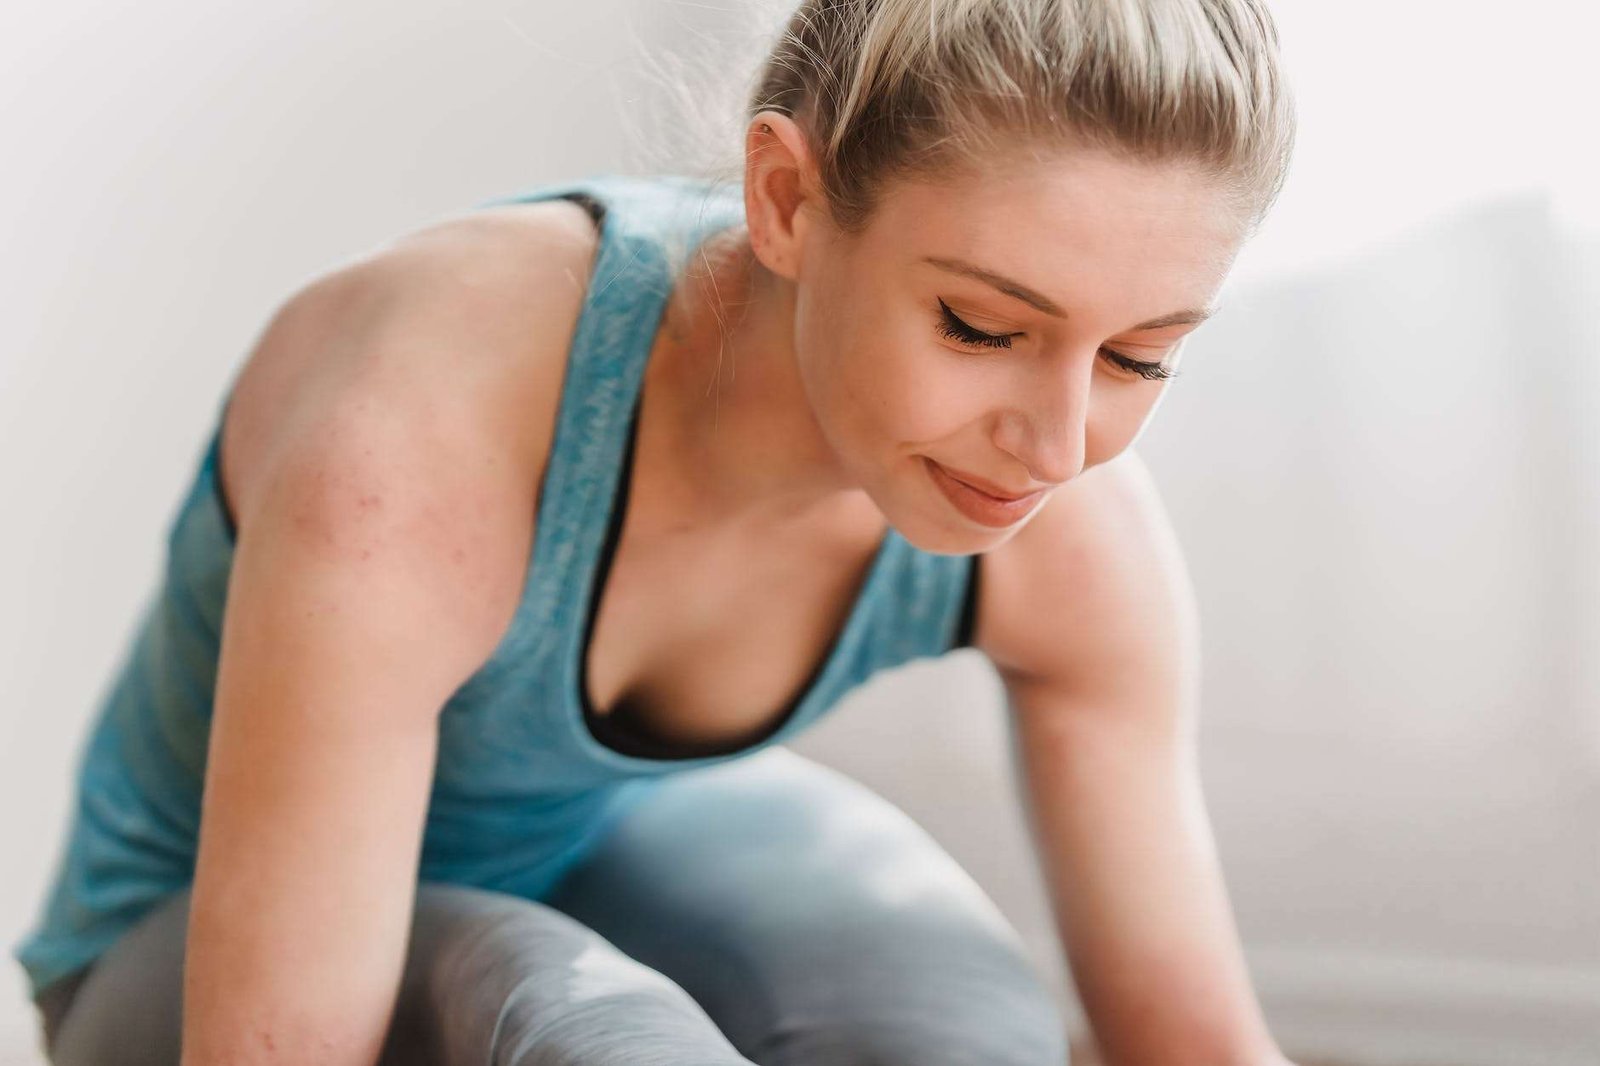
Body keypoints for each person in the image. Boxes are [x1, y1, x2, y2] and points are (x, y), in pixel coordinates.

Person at [13, 0, 1299, 1063]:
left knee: (956, 1029)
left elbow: (1192, 1045)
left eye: (1139, 357)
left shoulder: (1070, 533)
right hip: (181, 962)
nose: (1056, 446)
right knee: (600, 1039)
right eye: (981, 327)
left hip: (585, 843)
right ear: (785, 200)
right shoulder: (425, 430)